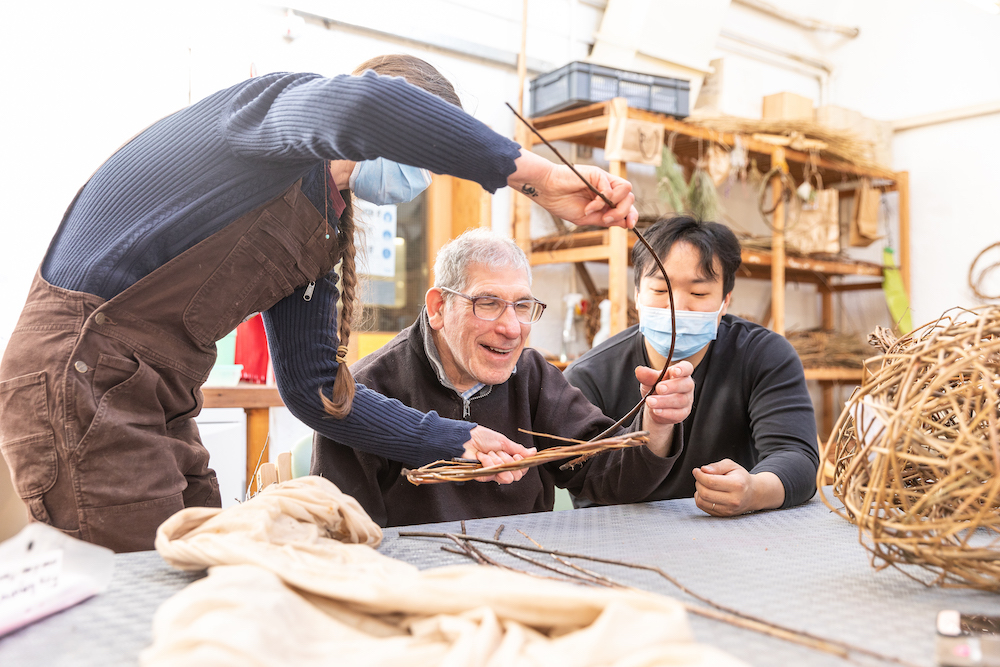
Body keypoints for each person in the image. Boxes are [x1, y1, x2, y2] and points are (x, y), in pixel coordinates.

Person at [0, 55, 640, 552]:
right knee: (136, 596)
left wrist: (455, 439)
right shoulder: (268, 117)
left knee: (196, 570)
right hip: (81, 378)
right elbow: (371, 104)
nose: (420, 181)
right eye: (426, 155)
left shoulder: (321, 230)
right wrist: (536, 175)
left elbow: (315, 395)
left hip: (156, 394)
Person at [312, 229, 695, 527]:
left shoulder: (533, 377)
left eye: (523, 306)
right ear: (438, 307)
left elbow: (614, 480)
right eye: (488, 303)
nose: (512, 328)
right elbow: (344, 537)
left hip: (526, 570)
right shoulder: (365, 395)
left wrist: (658, 423)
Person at [564, 215, 820, 516]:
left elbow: (796, 456)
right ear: (637, 295)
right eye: (660, 291)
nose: (677, 308)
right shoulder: (588, 377)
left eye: (698, 293)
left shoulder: (763, 356)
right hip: (621, 538)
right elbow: (585, 481)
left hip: (736, 534)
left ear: (725, 301)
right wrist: (654, 429)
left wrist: (754, 490)